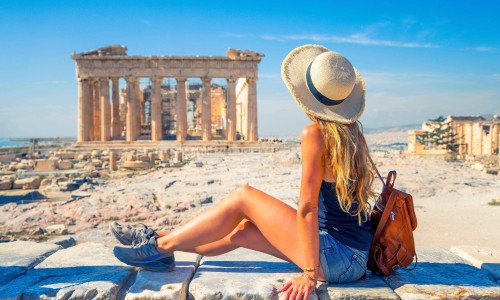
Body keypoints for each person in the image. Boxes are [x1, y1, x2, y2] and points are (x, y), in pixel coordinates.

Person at [112, 44, 375, 299]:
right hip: (354, 257)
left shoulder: (315, 134)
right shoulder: (352, 134)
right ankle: (160, 242)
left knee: (244, 196)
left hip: (336, 257)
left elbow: (308, 209)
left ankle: (157, 248)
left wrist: (308, 274)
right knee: (242, 232)